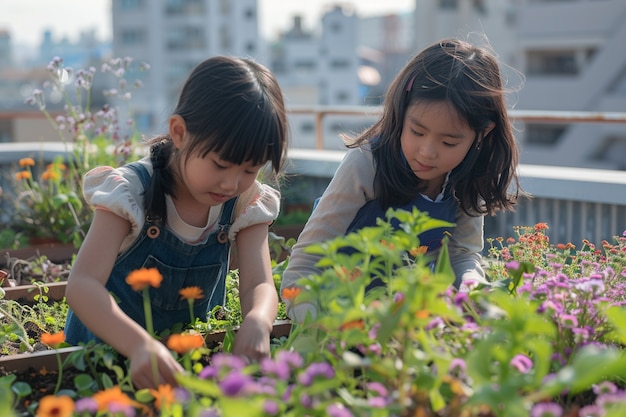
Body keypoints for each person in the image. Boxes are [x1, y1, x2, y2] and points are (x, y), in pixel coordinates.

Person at [64, 56, 289, 389]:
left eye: (249, 170)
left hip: (188, 364)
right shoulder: (130, 192)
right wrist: (140, 345)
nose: (231, 184)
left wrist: (257, 320)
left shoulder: (245, 201)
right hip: (101, 362)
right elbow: (82, 286)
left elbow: (259, 283)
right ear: (179, 132)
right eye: (221, 164)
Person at [280, 38, 524, 323]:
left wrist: (473, 291)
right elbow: (306, 264)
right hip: (341, 315)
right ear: (401, 111)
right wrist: (319, 327)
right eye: (417, 132)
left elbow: (461, 254)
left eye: (448, 142)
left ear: (483, 133)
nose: (427, 153)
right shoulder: (366, 164)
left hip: (408, 320)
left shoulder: (467, 176)